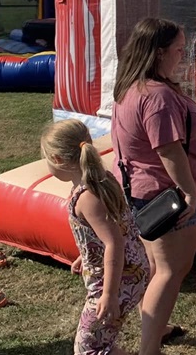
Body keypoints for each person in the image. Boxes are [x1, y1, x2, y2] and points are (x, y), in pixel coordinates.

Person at [110, 18, 196, 354]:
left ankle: (156, 325)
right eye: (179, 50)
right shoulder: (158, 97)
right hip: (165, 195)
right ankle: (149, 347)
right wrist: (189, 192)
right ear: (158, 53)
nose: (183, 56)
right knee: (172, 270)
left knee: (156, 265)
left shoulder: (130, 88)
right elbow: (167, 149)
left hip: (140, 191)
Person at [41, 118, 149, 355]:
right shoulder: (102, 179)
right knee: (99, 344)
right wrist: (87, 254)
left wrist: (108, 295)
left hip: (118, 282)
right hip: (133, 271)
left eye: (46, 159)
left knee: (88, 348)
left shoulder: (87, 197)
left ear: (58, 160)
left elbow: (114, 242)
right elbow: (111, 229)